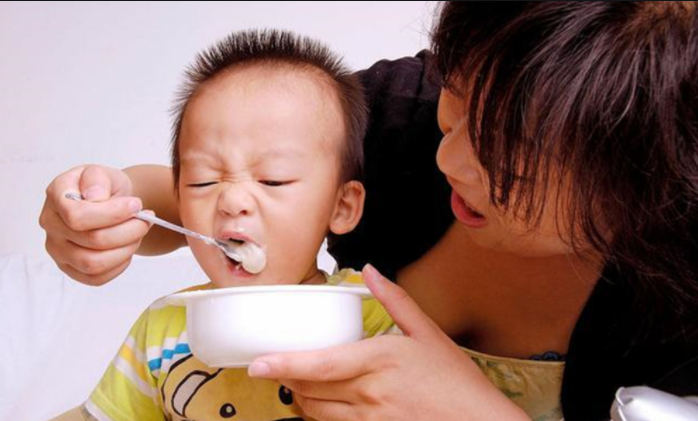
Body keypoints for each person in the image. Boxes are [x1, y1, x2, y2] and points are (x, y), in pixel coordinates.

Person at [40, 2, 698, 421]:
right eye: (458, 95)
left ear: (637, 193)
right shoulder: (401, 116)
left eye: (508, 156)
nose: (451, 159)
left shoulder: (677, 307)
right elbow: (242, 172)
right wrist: (112, 201)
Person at [47, 28, 406, 421]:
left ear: (342, 206)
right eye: (204, 181)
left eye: (273, 179)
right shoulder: (165, 328)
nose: (232, 201)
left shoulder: (373, 317)